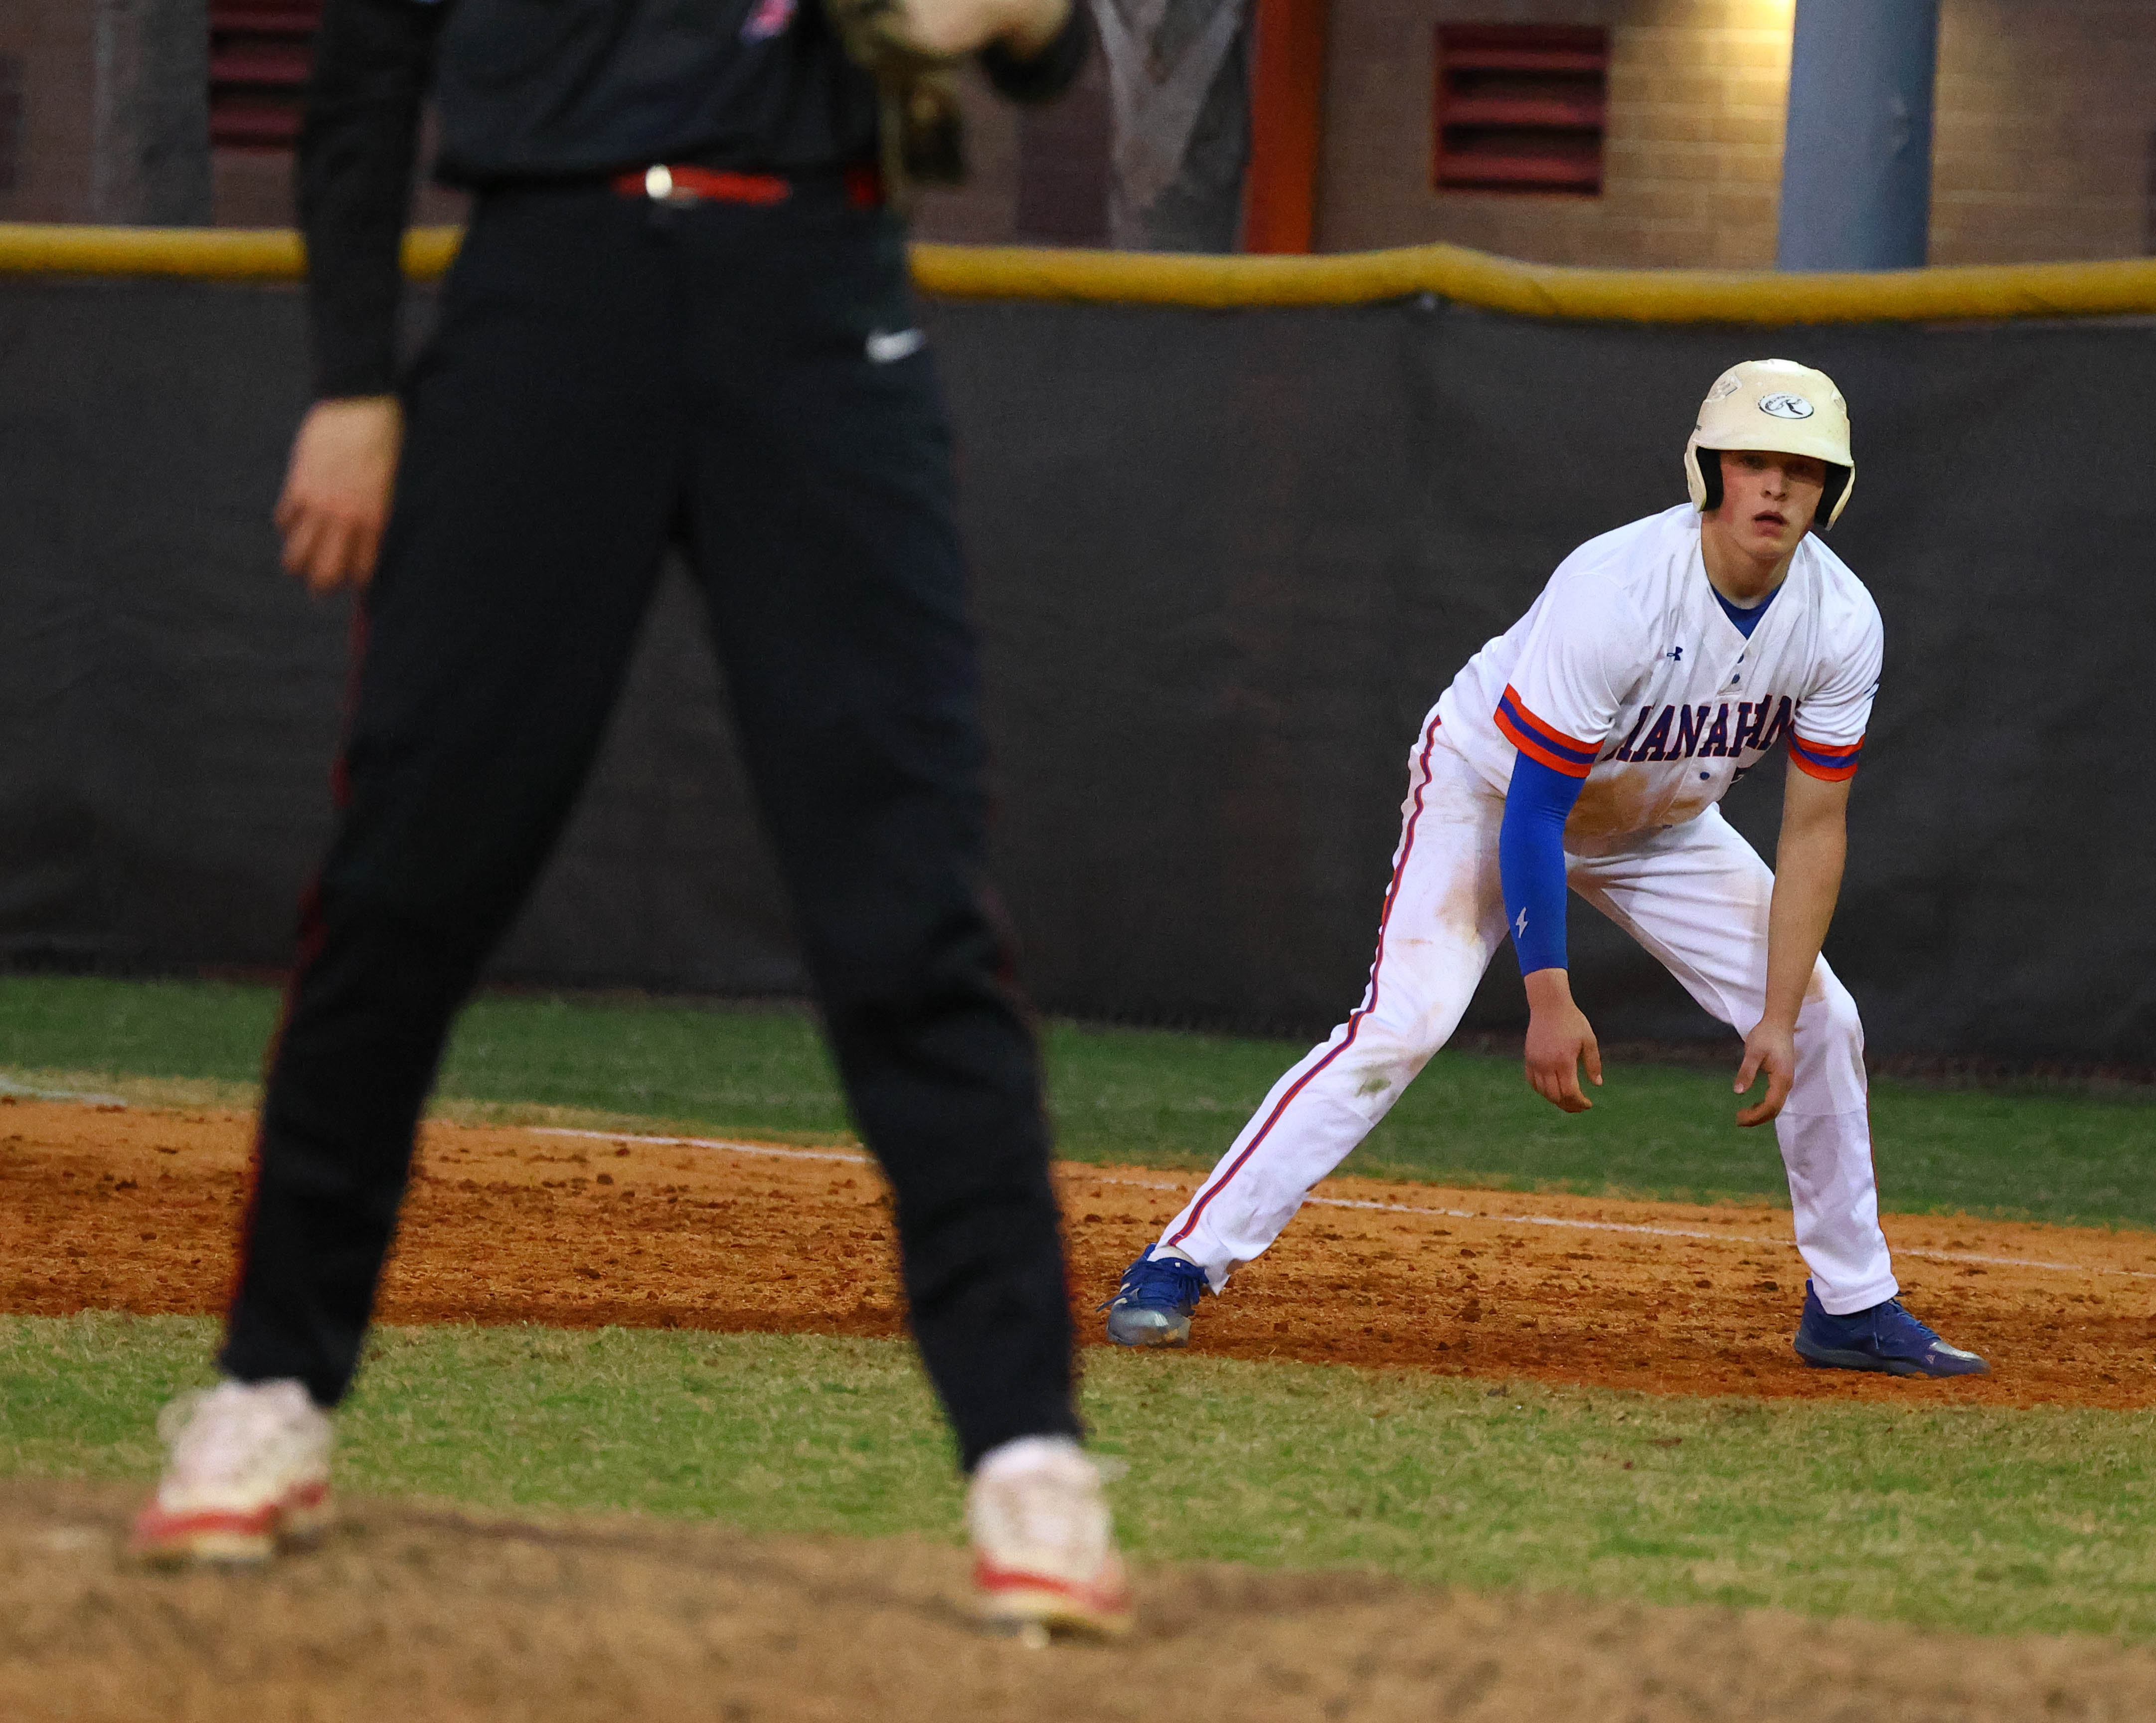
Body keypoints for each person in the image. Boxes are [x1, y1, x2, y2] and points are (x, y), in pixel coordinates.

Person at [126, 0, 1132, 1638]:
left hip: (812, 289)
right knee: (399, 886)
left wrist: (1018, 16)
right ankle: (269, 1389)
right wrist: (351, 376)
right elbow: (366, 75)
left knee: (908, 898)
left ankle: (1030, 1453)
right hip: (543, 289)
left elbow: (1037, 47)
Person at [1104, 360, 1988, 1382]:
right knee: (1406, 1023)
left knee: (1830, 1022)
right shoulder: (1618, 588)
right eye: (1755, 462)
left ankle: (1851, 1303)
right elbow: (1536, 808)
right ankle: (1179, 1261)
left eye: (1803, 468)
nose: (1777, 488)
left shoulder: (1841, 621)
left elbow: (1816, 828)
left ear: (1832, 492)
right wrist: (1550, 993)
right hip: (1494, 790)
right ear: (1711, 470)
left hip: (1662, 821)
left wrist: (1778, 1014)